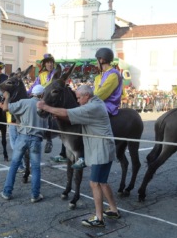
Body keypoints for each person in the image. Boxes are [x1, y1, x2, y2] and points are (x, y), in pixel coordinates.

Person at [37, 85, 120, 227]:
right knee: (103, 182)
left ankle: (99, 219)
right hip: (103, 148)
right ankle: (113, 210)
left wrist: (45, 107)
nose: (78, 100)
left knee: (94, 183)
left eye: (79, 97)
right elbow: (71, 118)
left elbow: (67, 112)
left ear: (87, 96)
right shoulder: (96, 102)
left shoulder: (92, 107)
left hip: (101, 150)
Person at [0, 85, 48, 203]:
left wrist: (7, 97)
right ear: (42, 95)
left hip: (22, 137)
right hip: (36, 139)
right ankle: (35, 195)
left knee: (14, 164)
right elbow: (47, 127)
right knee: (36, 168)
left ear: (32, 93)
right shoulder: (44, 106)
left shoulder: (24, 102)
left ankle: (7, 192)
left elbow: (6, 108)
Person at [28, 53, 57, 154]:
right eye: (48, 62)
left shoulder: (57, 73)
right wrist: (27, 94)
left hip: (53, 98)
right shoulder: (41, 75)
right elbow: (34, 86)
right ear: (45, 64)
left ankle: (49, 140)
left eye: (51, 62)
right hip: (42, 97)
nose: (50, 64)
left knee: (47, 112)